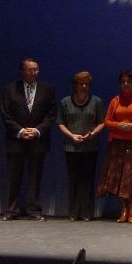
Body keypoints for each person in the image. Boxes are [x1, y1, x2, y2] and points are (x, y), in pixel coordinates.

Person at [1, 58, 57, 221]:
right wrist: (20, 131)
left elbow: (51, 114)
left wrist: (38, 130)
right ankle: (11, 210)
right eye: (30, 69)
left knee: (35, 177)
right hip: (16, 140)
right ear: (22, 71)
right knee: (14, 177)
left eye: (36, 69)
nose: (34, 72)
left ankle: (33, 210)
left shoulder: (47, 89)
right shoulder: (10, 89)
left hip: (38, 140)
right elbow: (5, 114)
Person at [97, 69, 132, 223]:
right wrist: (118, 125)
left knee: (131, 176)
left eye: (129, 81)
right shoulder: (115, 100)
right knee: (119, 177)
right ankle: (124, 208)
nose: (126, 84)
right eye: (123, 82)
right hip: (117, 143)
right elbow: (106, 121)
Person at [56, 71, 105, 221]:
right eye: (81, 84)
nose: (84, 86)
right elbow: (60, 123)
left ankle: (87, 212)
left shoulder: (96, 101)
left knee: (88, 180)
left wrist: (92, 134)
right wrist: (71, 135)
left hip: (90, 147)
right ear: (75, 85)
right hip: (71, 147)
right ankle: (73, 212)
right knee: (74, 179)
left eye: (87, 84)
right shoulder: (65, 102)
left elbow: (102, 122)